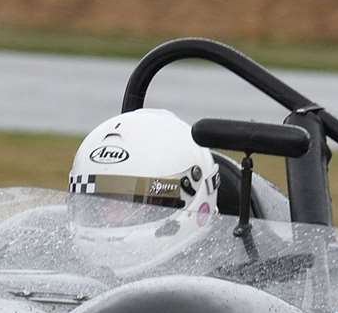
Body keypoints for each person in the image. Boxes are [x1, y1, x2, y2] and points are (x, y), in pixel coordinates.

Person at [67, 109, 222, 277]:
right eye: (98, 202)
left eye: (128, 204)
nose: (110, 217)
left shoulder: (226, 279)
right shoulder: (58, 258)